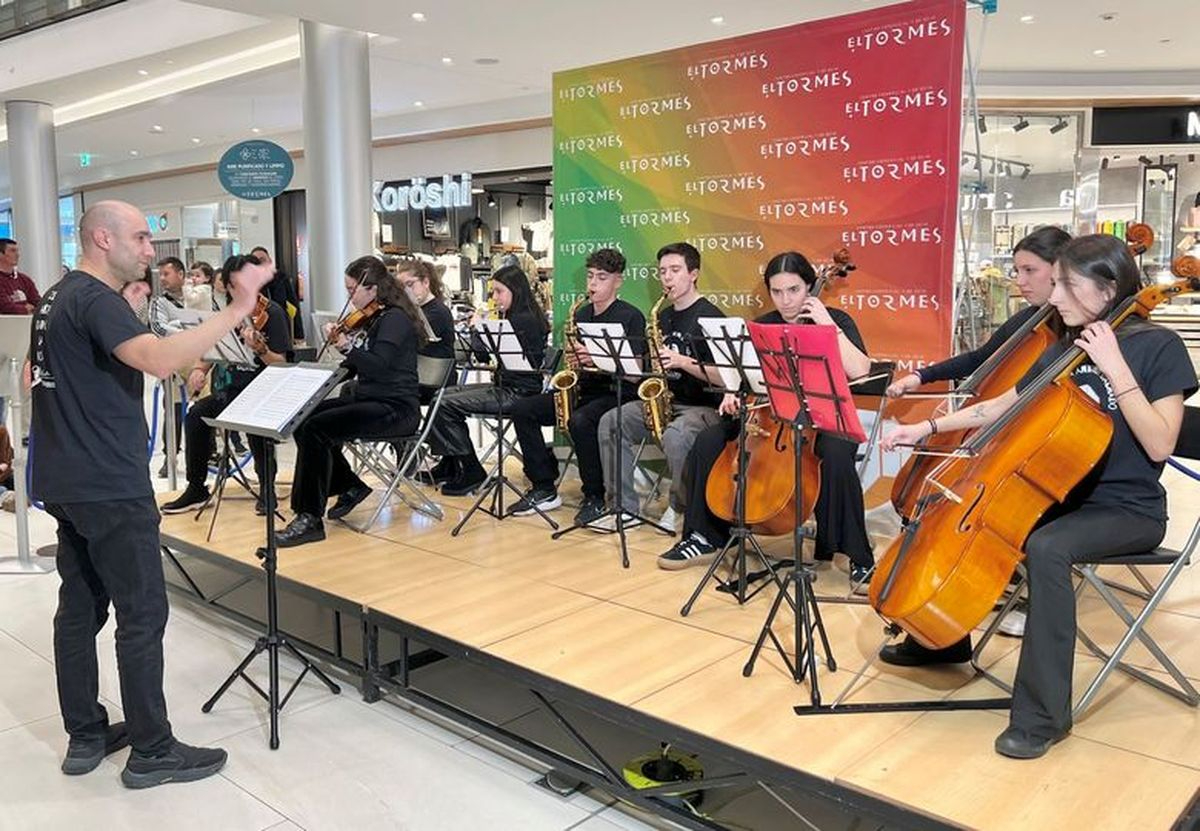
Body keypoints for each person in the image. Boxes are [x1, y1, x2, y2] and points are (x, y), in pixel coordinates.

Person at [879, 233, 1195, 759]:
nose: (1055, 296)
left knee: (1047, 547)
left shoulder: (1158, 346)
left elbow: (1161, 443)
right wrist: (927, 427)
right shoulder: (1066, 344)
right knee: (959, 503)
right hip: (1061, 494)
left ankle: (1042, 717)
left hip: (1126, 509)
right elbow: (1002, 404)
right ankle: (943, 637)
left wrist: (1115, 367)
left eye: (1067, 285)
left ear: (1107, 288)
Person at [29, 199, 273, 786]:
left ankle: (86, 734)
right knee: (141, 614)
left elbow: (37, 376)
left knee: (80, 608)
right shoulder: (96, 300)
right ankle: (153, 751)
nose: (149, 249)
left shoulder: (56, 297)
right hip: (107, 482)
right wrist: (237, 307)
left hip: (64, 478)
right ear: (102, 239)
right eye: (139, 237)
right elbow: (159, 361)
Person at [657, 251, 875, 591]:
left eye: (794, 290)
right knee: (709, 440)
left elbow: (860, 370)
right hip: (770, 415)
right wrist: (733, 389)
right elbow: (745, 375)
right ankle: (703, 535)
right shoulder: (763, 325)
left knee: (836, 454)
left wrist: (827, 325)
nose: (786, 300)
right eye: (777, 291)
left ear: (809, 287)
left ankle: (858, 556)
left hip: (823, 419)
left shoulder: (836, 320)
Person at [276, 255, 427, 546]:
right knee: (304, 419)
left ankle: (309, 517)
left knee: (318, 428)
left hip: (395, 409)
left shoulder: (394, 320)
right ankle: (349, 486)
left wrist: (347, 347)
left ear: (373, 289)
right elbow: (357, 367)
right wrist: (317, 381)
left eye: (351, 289)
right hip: (372, 400)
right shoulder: (377, 318)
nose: (349, 297)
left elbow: (378, 366)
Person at [504, 247, 646, 520]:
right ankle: (544, 486)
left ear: (618, 281)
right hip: (585, 388)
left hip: (618, 392)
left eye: (602, 277)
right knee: (523, 409)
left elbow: (635, 373)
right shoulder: (581, 314)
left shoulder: (631, 316)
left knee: (580, 421)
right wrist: (576, 360)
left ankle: (594, 495)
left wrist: (596, 358)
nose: (593, 283)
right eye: (590, 276)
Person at [596, 242, 724, 528]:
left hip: (704, 407)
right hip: (665, 401)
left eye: (675, 270)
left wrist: (683, 362)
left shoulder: (711, 317)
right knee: (612, 421)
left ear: (693, 274)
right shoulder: (662, 316)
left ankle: (680, 508)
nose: (667, 277)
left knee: (677, 436)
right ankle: (622, 508)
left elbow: (726, 376)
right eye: (662, 271)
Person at [159, 254, 292, 516]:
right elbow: (214, 347)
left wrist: (261, 350)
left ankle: (267, 488)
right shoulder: (229, 314)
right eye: (233, 286)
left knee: (256, 426)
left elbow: (281, 364)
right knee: (196, 415)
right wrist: (199, 369)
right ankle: (196, 487)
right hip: (234, 389)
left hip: (265, 391)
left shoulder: (273, 313)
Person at [886, 227, 1071, 398]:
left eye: (1029, 270)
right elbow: (979, 358)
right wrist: (920, 376)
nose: (1020, 281)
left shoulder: (1079, 327)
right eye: (1017, 271)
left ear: (1061, 270)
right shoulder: (1028, 319)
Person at [430, 264, 548, 497]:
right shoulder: (515, 316)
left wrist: (478, 328)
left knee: (443, 402)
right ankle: (452, 463)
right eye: (493, 291)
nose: (494, 297)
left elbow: (486, 355)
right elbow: (485, 357)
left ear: (515, 290)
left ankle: (471, 470)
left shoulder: (523, 320)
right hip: (507, 385)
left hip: (519, 391)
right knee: (441, 395)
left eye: (499, 291)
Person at [395, 258, 455, 361]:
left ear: (426, 282)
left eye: (410, 284)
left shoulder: (438, 311)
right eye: (402, 288)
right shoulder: (413, 308)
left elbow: (408, 338)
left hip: (435, 367)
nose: (406, 291)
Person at [251, 246, 304, 342]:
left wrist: (299, 335)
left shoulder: (281, 278)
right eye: (255, 262)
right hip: (260, 333)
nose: (259, 263)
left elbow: (293, 305)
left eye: (262, 260)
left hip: (282, 329)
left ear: (270, 261)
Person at [0, 237, 40, 314]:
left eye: (17, 251)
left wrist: (33, 308)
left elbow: (37, 302)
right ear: (1, 254)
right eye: (12, 251)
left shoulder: (24, 279)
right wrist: (25, 309)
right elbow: (4, 307)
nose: (17, 255)